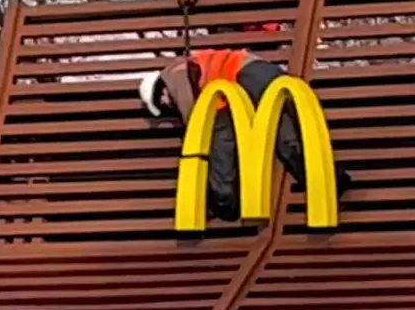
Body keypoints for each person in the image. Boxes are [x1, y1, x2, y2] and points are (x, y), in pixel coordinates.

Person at [139, 49, 352, 223]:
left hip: (247, 75)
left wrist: (193, 143)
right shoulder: (206, 86)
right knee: (287, 142)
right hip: (257, 76)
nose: (168, 103)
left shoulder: (173, 75)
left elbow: (194, 119)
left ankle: (225, 203)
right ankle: (331, 182)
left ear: (160, 90)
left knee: (285, 136)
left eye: (162, 101)